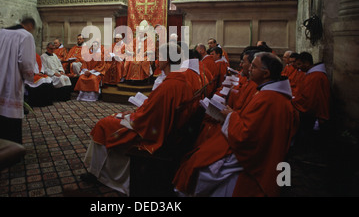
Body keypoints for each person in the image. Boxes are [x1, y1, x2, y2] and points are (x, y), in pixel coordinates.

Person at [82, 42, 208, 195]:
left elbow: (149, 119)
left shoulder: (170, 84)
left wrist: (134, 115)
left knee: (102, 125)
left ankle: (97, 173)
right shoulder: (182, 78)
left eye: (159, 57)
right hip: (167, 128)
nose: (156, 60)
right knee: (112, 119)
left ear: (167, 60)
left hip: (151, 133)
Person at [173, 52, 298, 197]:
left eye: (254, 66)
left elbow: (246, 136)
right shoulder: (268, 93)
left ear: (266, 73)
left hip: (252, 158)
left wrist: (231, 116)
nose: (249, 69)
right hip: (257, 150)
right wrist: (233, 115)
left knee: (202, 167)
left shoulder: (268, 99)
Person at [292, 52, 331, 142]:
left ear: (307, 63)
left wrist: (294, 102)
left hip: (313, 114)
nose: (297, 67)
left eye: (299, 64)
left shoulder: (315, 76)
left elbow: (310, 99)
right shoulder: (312, 74)